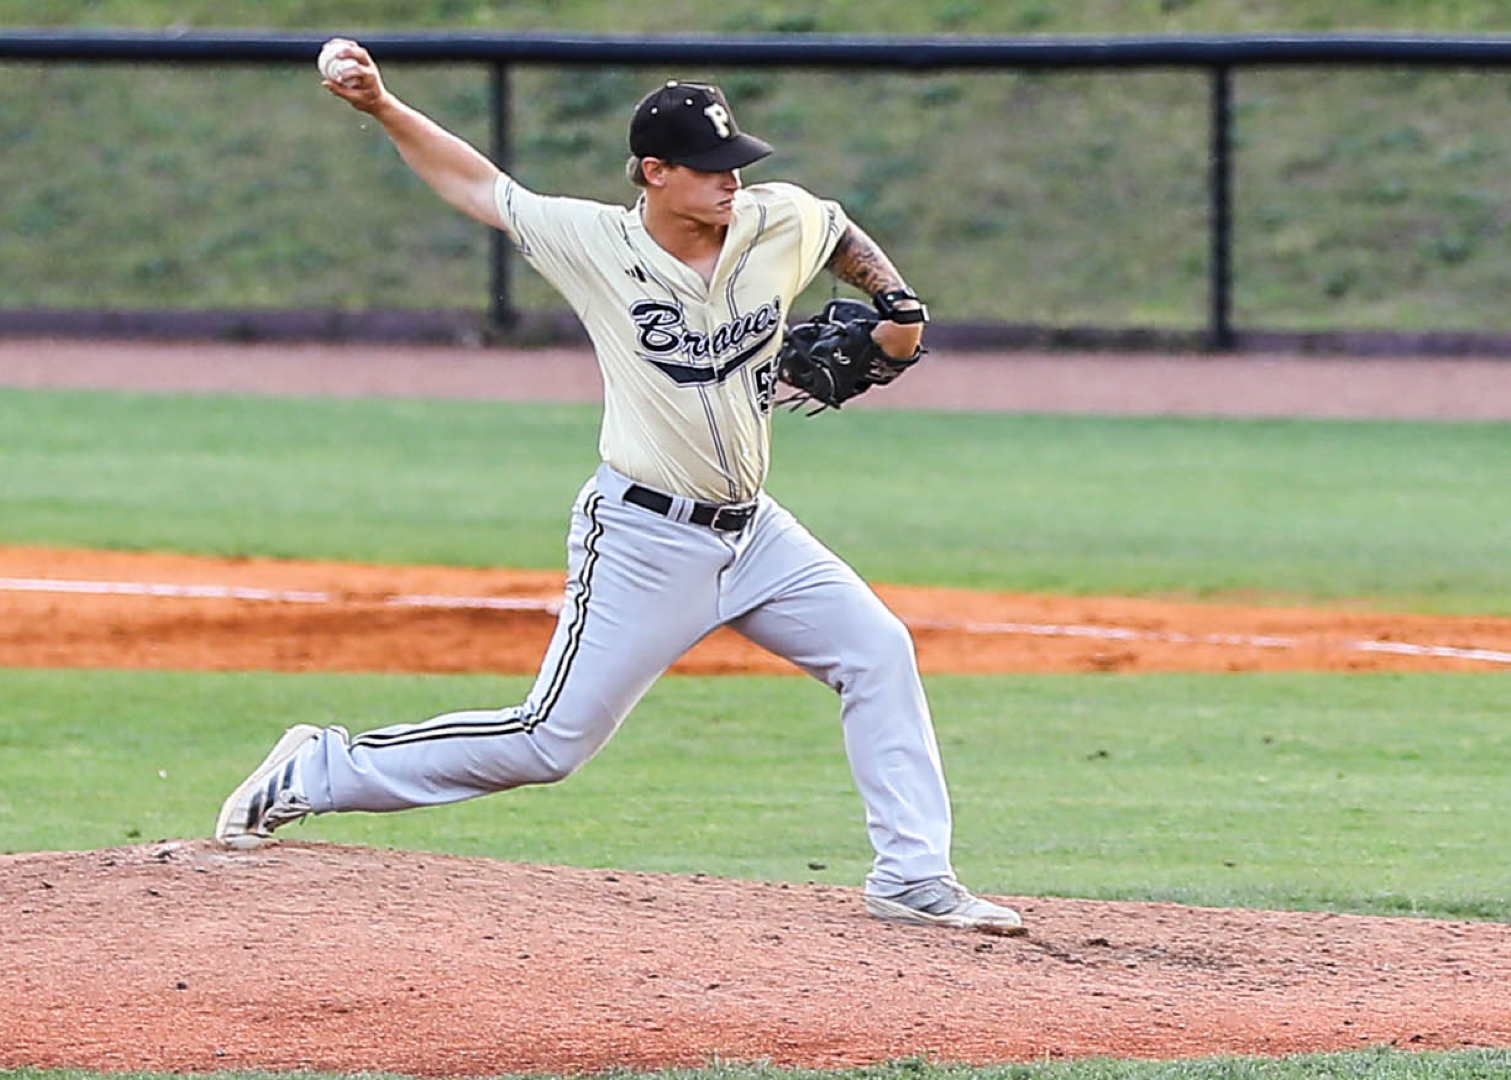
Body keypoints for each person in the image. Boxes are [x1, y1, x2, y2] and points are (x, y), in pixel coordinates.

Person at [215, 41, 1021, 933]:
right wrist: (381, 106)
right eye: (710, 169)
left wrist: (900, 307)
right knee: (548, 741)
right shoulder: (596, 243)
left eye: (735, 164)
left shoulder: (771, 223)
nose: (730, 183)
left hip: (757, 535)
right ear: (655, 173)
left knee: (878, 650)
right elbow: (480, 186)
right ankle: (322, 769)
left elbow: (833, 229)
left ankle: (911, 876)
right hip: (643, 537)